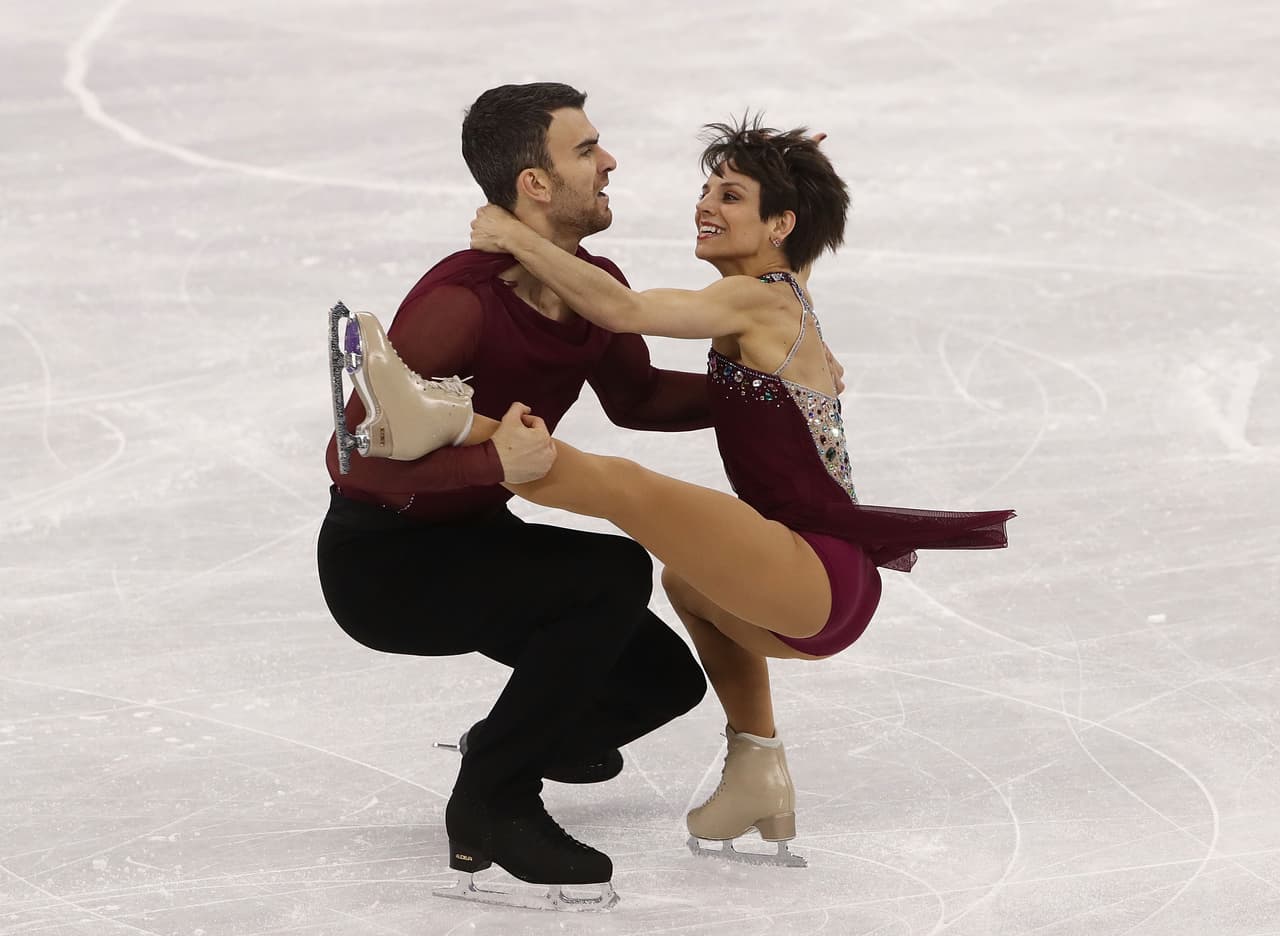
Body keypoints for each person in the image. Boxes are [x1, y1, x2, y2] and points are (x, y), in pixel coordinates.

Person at [338, 115, 1016, 868]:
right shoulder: (777, 299)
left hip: (815, 567)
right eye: (708, 190)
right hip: (807, 579)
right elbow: (651, 395)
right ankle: (756, 766)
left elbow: (620, 311)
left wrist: (511, 235)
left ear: (780, 225)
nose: (705, 205)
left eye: (730, 195)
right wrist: (792, 171)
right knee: (682, 582)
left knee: (622, 487)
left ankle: (447, 420)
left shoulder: (757, 300)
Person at [319, 82, 716, 910]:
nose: (609, 162)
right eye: (587, 150)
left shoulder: (591, 284)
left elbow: (637, 397)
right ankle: (492, 804)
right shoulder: (459, 305)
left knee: (660, 680)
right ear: (534, 183)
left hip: (475, 540)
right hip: (383, 564)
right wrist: (491, 465)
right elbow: (352, 459)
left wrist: (759, 393)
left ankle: (504, 748)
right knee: (608, 575)